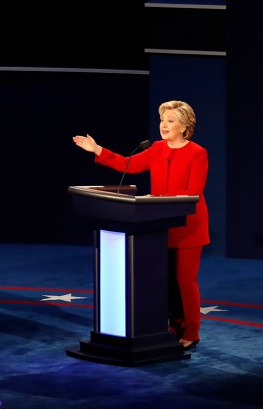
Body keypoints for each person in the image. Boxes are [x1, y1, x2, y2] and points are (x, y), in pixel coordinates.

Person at [72, 100, 209, 351]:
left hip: (188, 227)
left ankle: (191, 331)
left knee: (184, 281)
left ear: (184, 126)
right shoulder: (156, 148)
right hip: (157, 224)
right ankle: (170, 326)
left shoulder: (197, 153)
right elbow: (129, 164)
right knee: (165, 281)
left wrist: (156, 199)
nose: (164, 125)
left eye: (170, 121)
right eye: (162, 120)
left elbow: (194, 191)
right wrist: (98, 149)